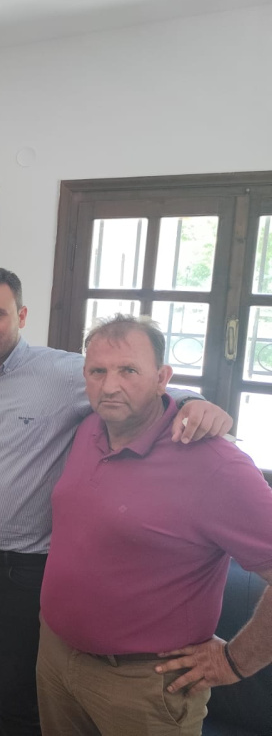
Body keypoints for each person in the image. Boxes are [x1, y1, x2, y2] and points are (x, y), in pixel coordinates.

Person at [0, 267, 231, 735]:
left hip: (24, 570)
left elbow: (137, 385)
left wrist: (194, 402)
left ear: (21, 315)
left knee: (18, 699)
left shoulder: (65, 372)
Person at [37, 315, 272, 735]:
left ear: (162, 377)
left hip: (144, 685)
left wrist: (236, 662)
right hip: (57, 659)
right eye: (97, 371)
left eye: (128, 370)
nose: (110, 386)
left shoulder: (215, 464)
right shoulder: (89, 428)